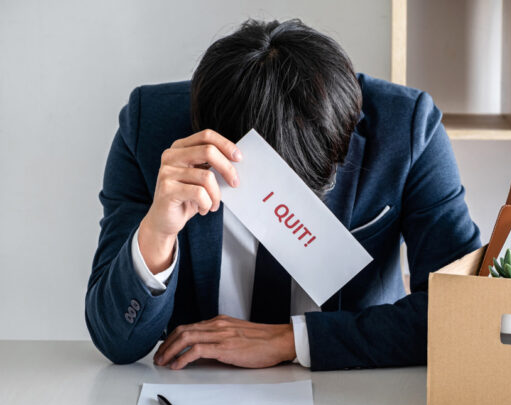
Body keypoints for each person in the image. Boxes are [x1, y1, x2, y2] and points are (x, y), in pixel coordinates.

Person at [85, 18, 480, 371]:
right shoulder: (149, 126)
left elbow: (463, 311)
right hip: (198, 386)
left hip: (352, 389)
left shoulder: (406, 127)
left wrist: (293, 340)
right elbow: (116, 342)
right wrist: (158, 233)